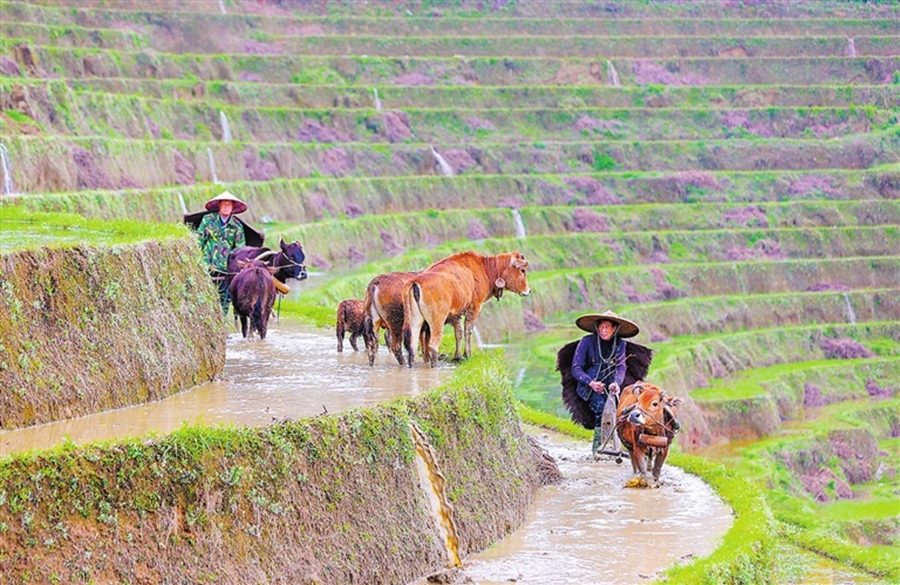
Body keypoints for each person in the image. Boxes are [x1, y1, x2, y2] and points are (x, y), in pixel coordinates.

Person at [571, 310, 640, 459]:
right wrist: (591, 383)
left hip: (610, 386)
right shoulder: (587, 342)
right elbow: (576, 368)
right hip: (590, 387)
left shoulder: (620, 344)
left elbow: (621, 367)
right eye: (600, 327)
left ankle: (617, 446)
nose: (603, 330)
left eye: (607, 327)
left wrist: (616, 382)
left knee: (621, 411)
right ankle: (597, 449)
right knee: (601, 410)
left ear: (614, 329)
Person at [197, 191, 248, 314]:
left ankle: (222, 323)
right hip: (207, 266)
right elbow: (198, 242)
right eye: (224, 204)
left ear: (232, 208)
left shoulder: (237, 226)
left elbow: (240, 251)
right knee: (205, 296)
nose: (226, 207)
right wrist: (196, 261)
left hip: (226, 269)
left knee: (224, 300)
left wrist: (238, 269)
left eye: (229, 205)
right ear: (219, 205)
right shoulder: (208, 220)